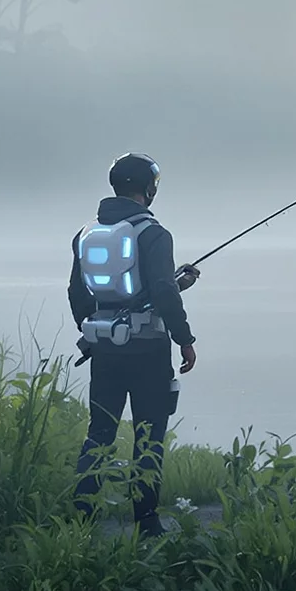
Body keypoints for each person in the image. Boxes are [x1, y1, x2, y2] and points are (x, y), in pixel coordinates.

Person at [68, 151, 199, 536]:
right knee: (149, 434)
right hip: (149, 351)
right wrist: (185, 339)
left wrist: (91, 332)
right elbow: (160, 291)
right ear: (148, 189)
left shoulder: (86, 233)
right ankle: (146, 521)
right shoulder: (155, 233)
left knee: (100, 432)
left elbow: (77, 291)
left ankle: (82, 516)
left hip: (104, 348)